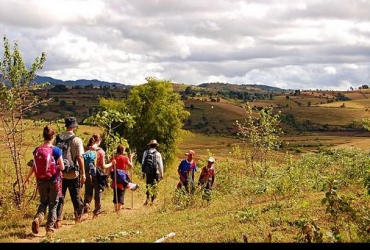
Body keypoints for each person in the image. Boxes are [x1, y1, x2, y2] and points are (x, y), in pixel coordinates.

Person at [24, 125, 65, 234]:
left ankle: (38, 218)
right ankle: (49, 228)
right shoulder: (56, 150)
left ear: (43, 136)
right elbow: (62, 167)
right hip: (53, 180)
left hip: (41, 181)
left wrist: (27, 178)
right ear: (53, 137)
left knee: (43, 202)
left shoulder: (37, 150)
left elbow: (34, 167)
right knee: (53, 204)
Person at [55, 117, 86, 228]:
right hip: (73, 173)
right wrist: (83, 173)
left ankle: (58, 220)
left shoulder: (58, 138)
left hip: (60, 173)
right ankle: (78, 218)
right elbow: (80, 158)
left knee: (60, 197)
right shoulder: (77, 140)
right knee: (75, 196)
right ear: (73, 127)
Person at [82, 133, 113, 218]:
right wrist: (111, 163)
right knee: (98, 192)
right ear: (99, 141)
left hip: (87, 173)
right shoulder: (101, 151)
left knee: (88, 191)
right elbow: (103, 166)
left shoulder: (86, 150)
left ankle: (86, 206)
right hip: (98, 174)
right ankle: (96, 212)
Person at [110, 144, 138, 212]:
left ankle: (116, 209)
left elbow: (110, 167)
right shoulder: (125, 158)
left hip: (115, 178)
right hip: (122, 178)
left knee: (116, 192)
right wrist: (130, 157)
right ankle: (118, 210)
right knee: (121, 193)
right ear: (122, 150)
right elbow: (131, 166)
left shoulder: (113, 158)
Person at [141, 139, 164, 205]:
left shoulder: (145, 152)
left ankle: (147, 200)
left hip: (148, 172)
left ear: (149, 145)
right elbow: (160, 165)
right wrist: (161, 174)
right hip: (155, 172)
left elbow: (143, 163)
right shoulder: (158, 154)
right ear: (156, 146)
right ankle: (152, 201)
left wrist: (143, 172)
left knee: (148, 185)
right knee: (154, 186)